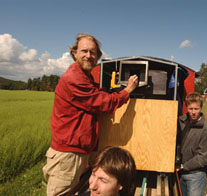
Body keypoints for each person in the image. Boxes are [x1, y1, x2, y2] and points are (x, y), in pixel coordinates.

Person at [42, 33, 139, 196]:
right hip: (68, 156)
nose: (88, 56)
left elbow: (98, 96)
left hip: (77, 152)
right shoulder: (74, 78)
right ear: (75, 53)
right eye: (84, 51)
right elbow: (104, 103)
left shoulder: (85, 78)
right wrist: (127, 90)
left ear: (98, 56)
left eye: (93, 52)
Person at [177, 92, 207, 196]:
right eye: (190, 109)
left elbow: (204, 158)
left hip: (196, 175)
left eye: (196, 109)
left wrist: (183, 166)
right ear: (186, 107)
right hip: (180, 173)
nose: (193, 112)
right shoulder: (181, 122)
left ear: (201, 108)